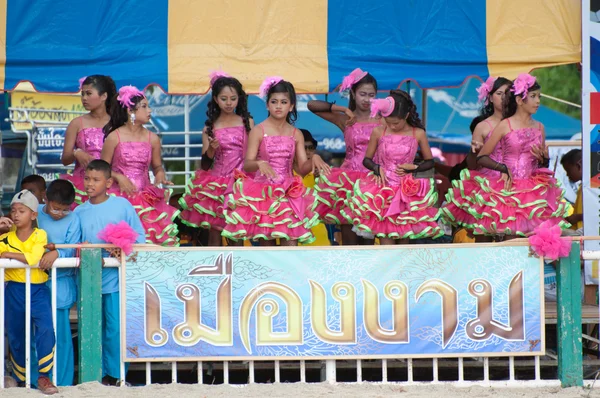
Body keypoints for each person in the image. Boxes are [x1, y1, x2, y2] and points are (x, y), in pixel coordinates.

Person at [444, 73, 568, 239]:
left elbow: (540, 166)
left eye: (539, 96)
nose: (538, 101)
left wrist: (544, 160)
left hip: (530, 189)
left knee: (524, 241)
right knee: (490, 238)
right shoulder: (503, 126)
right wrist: (502, 168)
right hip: (501, 186)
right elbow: (481, 157)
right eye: (533, 96)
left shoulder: (540, 127)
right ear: (519, 100)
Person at [223, 77, 331, 246]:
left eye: (283, 102)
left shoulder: (296, 134)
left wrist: (314, 158)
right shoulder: (258, 131)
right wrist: (259, 163)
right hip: (263, 195)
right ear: (267, 105)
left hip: (289, 193)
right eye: (274, 101)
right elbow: (246, 164)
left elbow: (302, 168)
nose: (278, 106)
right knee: (268, 250)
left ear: (291, 106)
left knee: (292, 246)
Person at [74, 160, 145, 386]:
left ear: (109, 182)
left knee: (115, 329)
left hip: (116, 281)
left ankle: (116, 375)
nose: (89, 184)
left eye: (95, 180)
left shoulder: (122, 205)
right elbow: (73, 243)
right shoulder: (78, 211)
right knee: (91, 328)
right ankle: (95, 375)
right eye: (87, 178)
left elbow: (139, 239)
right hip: (88, 281)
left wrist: (121, 250)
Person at [347, 90, 442, 245]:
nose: (392, 125)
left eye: (396, 123)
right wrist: (377, 168)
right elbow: (367, 160)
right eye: (388, 121)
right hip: (383, 190)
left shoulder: (418, 133)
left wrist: (414, 167)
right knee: (386, 244)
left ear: (406, 116)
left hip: (407, 192)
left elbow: (430, 161)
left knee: (403, 245)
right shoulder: (378, 131)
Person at [178, 72, 253, 246]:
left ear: (239, 99)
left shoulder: (247, 122)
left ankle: (237, 271)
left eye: (233, 98)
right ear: (216, 99)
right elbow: (205, 164)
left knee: (237, 232)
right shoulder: (210, 127)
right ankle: (215, 271)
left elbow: (252, 154)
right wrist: (211, 149)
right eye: (224, 98)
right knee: (214, 232)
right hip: (216, 184)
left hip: (240, 183)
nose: (229, 103)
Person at [308, 68, 380, 245]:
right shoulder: (345, 119)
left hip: (373, 181)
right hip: (348, 182)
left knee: (368, 241)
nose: (367, 99)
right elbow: (312, 106)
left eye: (371, 95)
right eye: (362, 94)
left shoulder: (383, 120)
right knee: (349, 241)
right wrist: (342, 109)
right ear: (353, 93)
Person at [101, 85, 179, 246]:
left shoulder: (153, 138)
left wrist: (160, 174)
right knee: (121, 243)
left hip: (146, 197)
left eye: (148, 106)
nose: (149, 110)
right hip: (120, 197)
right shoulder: (114, 137)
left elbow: (157, 166)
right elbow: (102, 168)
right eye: (144, 106)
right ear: (130, 111)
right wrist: (118, 176)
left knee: (148, 243)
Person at [1, 190, 58, 394]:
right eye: (13, 211)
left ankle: (44, 377)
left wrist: (7, 254)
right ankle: (20, 378)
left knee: (45, 329)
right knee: (16, 334)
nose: (16, 215)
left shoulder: (39, 234)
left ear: (33, 215)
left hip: (37, 289)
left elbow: (33, 258)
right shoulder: (5, 237)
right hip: (14, 290)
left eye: (22, 211)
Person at [26, 180, 81, 387]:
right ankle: (34, 381)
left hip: (61, 285)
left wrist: (57, 252)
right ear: (46, 200)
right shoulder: (33, 212)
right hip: (34, 284)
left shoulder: (74, 219)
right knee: (35, 333)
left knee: (61, 336)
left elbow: (74, 246)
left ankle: (63, 381)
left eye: (64, 210)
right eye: (56, 208)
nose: (59, 213)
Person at [442, 77, 511, 241]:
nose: (503, 97)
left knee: (512, 239)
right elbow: (472, 165)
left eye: (507, 93)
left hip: (514, 185)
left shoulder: (519, 123)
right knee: (483, 240)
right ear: (490, 97)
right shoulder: (482, 126)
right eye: (499, 93)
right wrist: (474, 152)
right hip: (485, 188)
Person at [61, 75, 116, 206]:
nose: (84, 98)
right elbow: (65, 159)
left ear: (104, 96)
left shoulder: (116, 123)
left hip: (111, 184)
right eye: (82, 94)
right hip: (83, 184)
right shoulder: (76, 123)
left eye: (89, 93)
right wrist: (76, 153)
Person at [297, 129, 330, 246]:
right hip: (292, 230)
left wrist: (319, 180)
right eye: (303, 147)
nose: (307, 152)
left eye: (310, 148)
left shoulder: (320, 172)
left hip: (317, 231)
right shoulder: (285, 173)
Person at [561, 149, 583, 231]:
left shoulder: (593, 188)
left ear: (578, 166)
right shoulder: (582, 187)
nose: (567, 175)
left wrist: (578, 217)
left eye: (568, 170)